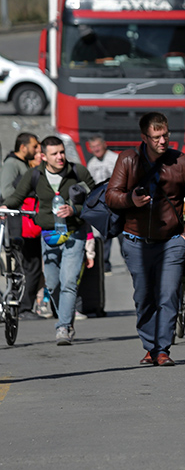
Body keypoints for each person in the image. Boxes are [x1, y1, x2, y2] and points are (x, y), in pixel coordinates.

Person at [106, 113, 185, 366]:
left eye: (165, 135)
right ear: (144, 138)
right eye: (156, 137)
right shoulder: (128, 159)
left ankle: (162, 349)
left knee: (168, 294)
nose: (163, 141)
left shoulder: (182, 162)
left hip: (172, 241)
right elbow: (111, 195)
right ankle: (150, 346)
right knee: (144, 296)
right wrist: (131, 200)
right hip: (136, 241)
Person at [3, 136, 96, 344]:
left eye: (61, 152)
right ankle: (65, 316)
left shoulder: (77, 171)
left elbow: (97, 198)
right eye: (54, 154)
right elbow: (16, 197)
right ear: (44, 156)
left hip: (75, 233)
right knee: (53, 284)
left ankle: (63, 327)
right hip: (49, 235)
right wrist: (4, 208)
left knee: (69, 282)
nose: (60, 157)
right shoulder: (34, 174)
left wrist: (74, 210)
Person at [0, 132, 44, 320]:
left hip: (27, 221)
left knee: (31, 264)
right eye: (34, 147)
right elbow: (6, 191)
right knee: (24, 264)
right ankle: (23, 308)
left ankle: (25, 306)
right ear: (23, 147)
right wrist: (27, 188)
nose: (36, 151)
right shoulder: (12, 164)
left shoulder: (24, 164)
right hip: (17, 223)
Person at [86, 135, 119, 272]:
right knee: (104, 233)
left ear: (104, 145)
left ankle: (130, 262)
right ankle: (105, 264)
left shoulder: (115, 159)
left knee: (122, 234)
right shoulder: (92, 164)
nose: (96, 149)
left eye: (98, 146)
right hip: (102, 204)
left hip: (117, 201)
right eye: (93, 147)